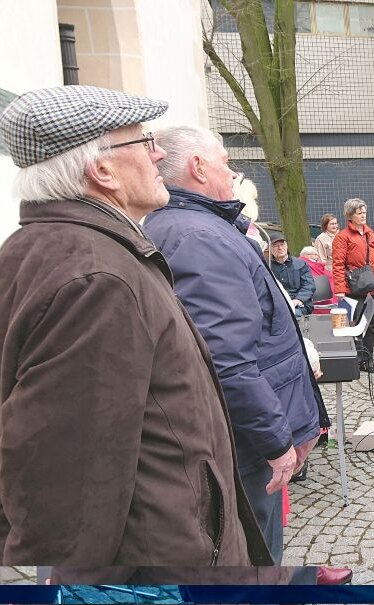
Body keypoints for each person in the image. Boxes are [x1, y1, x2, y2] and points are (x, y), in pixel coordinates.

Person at [0, 85, 272, 571]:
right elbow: (66, 492)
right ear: (102, 171)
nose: (159, 153)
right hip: (160, 564)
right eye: (144, 142)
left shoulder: (59, 248)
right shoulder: (97, 278)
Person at [139, 125, 327, 573]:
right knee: (255, 556)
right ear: (198, 167)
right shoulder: (200, 238)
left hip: (239, 435)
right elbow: (226, 360)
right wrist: (275, 440)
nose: (233, 172)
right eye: (225, 162)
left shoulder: (195, 228)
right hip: (244, 444)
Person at [332, 198, 374, 372]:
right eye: (359, 213)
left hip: (371, 286)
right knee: (355, 324)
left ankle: (367, 360)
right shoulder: (342, 237)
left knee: (370, 324)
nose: (363, 215)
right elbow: (338, 264)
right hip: (353, 287)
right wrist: (340, 289)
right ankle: (355, 360)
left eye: (364, 212)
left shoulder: (370, 234)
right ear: (350, 215)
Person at [269, 233, 316, 316]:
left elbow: (309, 285)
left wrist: (299, 299)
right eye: (275, 246)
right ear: (270, 249)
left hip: (300, 304)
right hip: (277, 305)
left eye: (282, 244)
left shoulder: (301, 264)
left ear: (287, 246)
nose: (280, 248)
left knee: (289, 315)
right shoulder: (267, 267)